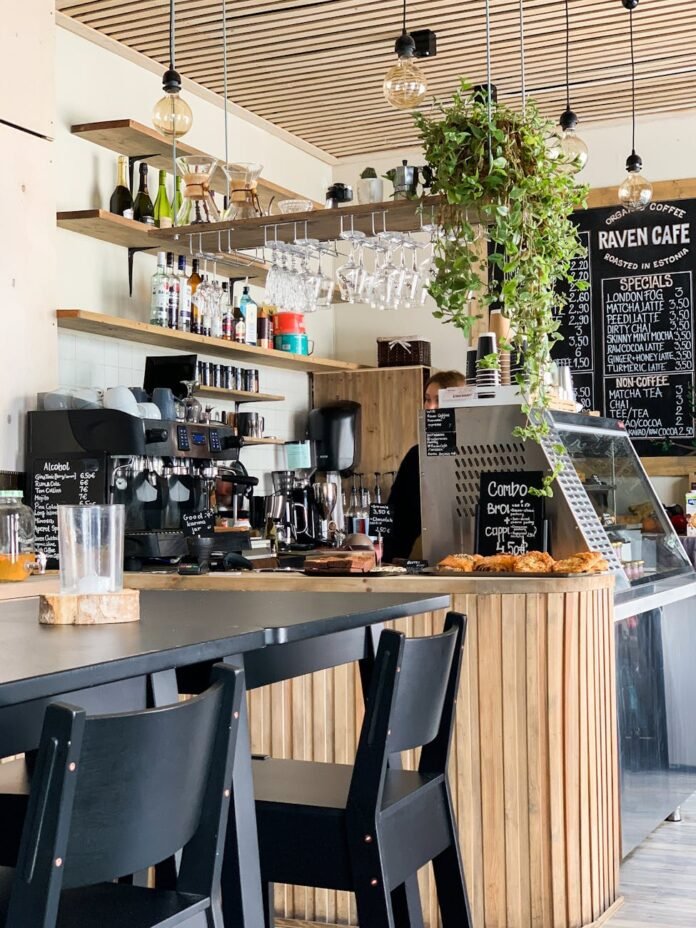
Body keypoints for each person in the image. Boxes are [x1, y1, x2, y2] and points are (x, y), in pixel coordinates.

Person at [383, 369, 465, 562]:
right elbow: (398, 515)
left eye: (439, 400)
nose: (430, 408)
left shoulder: (476, 451)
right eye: (427, 400)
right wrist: (388, 562)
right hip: (426, 563)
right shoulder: (416, 456)